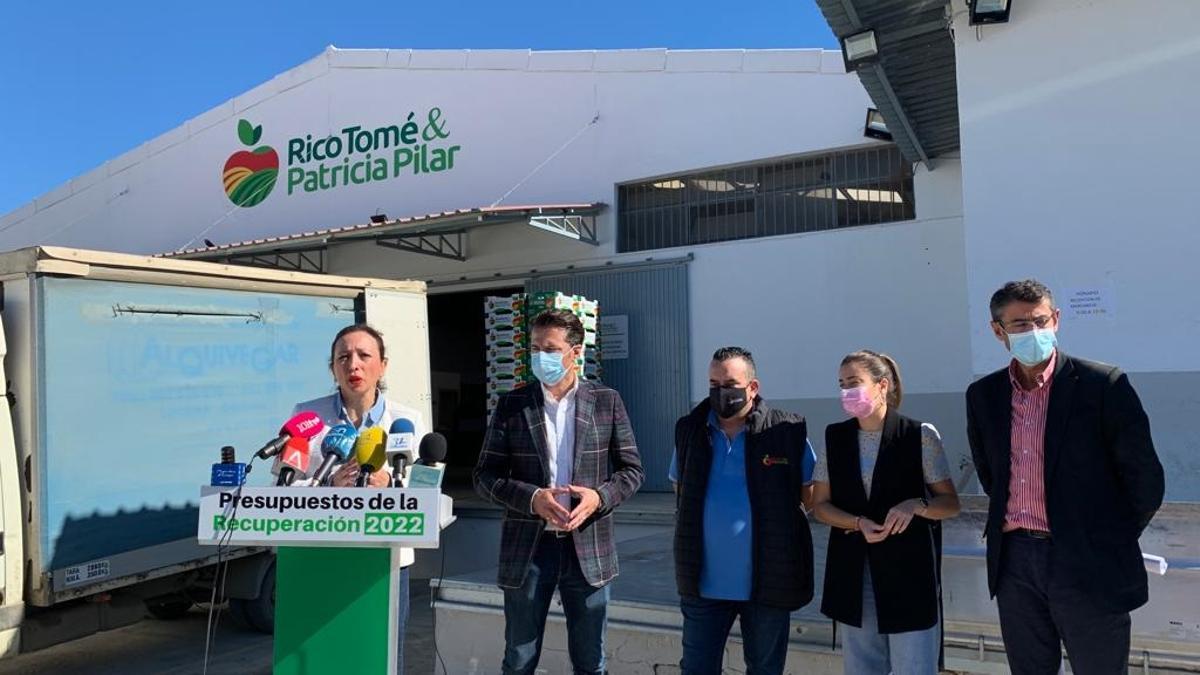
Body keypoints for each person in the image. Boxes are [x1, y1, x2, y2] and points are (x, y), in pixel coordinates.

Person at [966, 279, 1164, 674]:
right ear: (997, 330)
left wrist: (1104, 539)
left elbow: (1145, 481)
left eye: (1041, 321)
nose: (1033, 332)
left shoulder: (1102, 385)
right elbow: (992, 476)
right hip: (1015, 563)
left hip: (1087, 561)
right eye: (1020, 324)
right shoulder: (983, 395)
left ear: (1056, 320)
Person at [473, 309, 644, 675]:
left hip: (588, 550)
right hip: (530, 549)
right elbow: (484, 476)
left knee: (590, 661)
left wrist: (599, 497)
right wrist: (532, 498)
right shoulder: (512, 404)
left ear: (576, 352)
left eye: (550, 349)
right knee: (518, 659)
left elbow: (632, 472)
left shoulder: (606, 401)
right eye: (535, 348)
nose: (540, 357)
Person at [284, 323, 426, 673]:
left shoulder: (407, 421)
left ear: (383, 365)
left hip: (385, 561)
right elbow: (284, 490)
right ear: (332, 367)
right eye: (343, 357)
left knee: (380, 656)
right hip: (321, 559)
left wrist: (392, 484)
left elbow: (424, 495)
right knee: (326, 653)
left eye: (364, 355)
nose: (354, 365)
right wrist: (326, 485)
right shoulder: (307, 417)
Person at [811, 350, 960, 675]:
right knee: (863, 666)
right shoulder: (835, 438)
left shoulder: (919, 435)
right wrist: (856, 522)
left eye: (854, 382)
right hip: (855, 573)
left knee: (914, 666)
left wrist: (916, 505)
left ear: (882, 386)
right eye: (841, 384)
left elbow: (950, 503)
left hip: (909, 573)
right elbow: (819, 505)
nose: (846, 391)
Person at [669, 346, 817, 675]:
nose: (721, 392)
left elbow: (809, 495)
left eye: (730, 383)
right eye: (713, 383)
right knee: (696, 669)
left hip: (767, 584)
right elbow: (681, 489)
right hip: (704, 587)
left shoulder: (786, 431)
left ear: (753, 387)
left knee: (765, 669)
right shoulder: (690, 431)